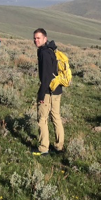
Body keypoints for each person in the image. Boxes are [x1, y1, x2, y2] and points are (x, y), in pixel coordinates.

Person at [32, 28, 64, 156]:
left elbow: (46, 77)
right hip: (57, 89)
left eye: (38, 38)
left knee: (42, 119)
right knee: (56, 117)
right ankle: (59, 146)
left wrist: (41, 94)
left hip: (48, 90)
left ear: (45, 38)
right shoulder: (51, 50)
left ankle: (44, 148)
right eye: (34, 38)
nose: (36, 40)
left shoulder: (44, 53)